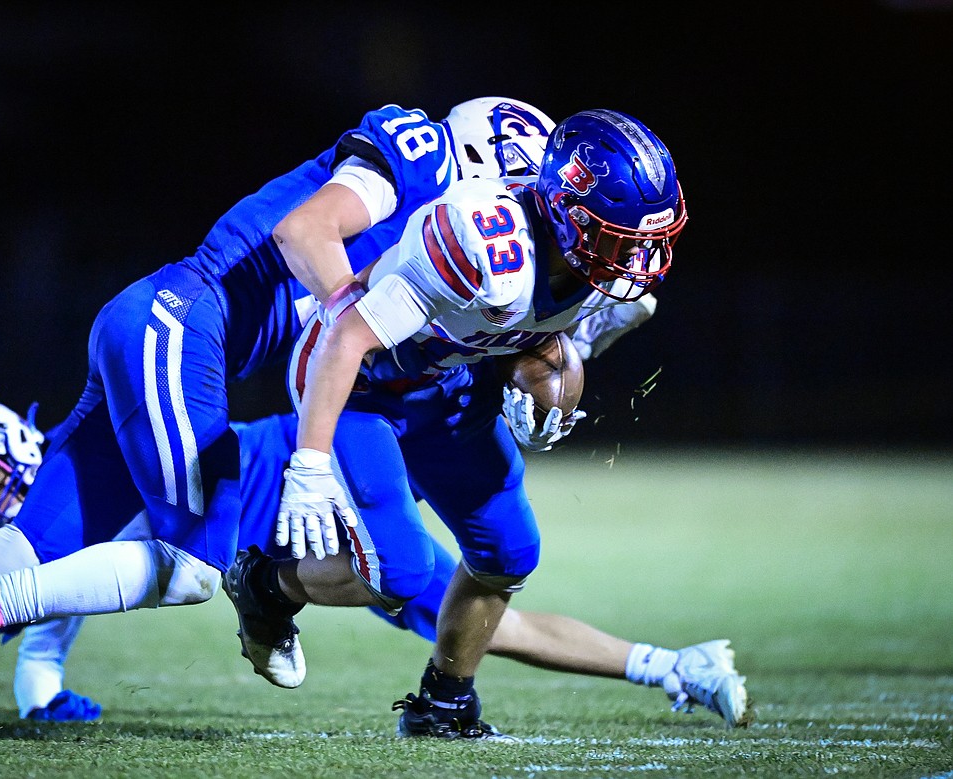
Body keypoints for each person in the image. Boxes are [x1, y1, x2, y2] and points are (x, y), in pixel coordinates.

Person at [0, 96, 560, 739]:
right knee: (192, 568)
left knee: (24, 543)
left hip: (160, 326)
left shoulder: (463, 238)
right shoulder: (417, 166)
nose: (521, 218)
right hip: (183, 324)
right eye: (522, 192)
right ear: (488, 163)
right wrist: (356, 333)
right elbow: (304, 236)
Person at [229, 108, 725, 740]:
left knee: (509, 553)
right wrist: (310, 463)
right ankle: (267, 584)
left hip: (444, 385)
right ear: (570, 212)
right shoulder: (485, 245)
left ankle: (443, 703)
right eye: (621, 238)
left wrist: (546, 390)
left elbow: (545, 345)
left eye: (644, 239)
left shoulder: (592, 271)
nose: (640, 256)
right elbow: (346, 335)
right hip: (360, 386)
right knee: (399, 573)